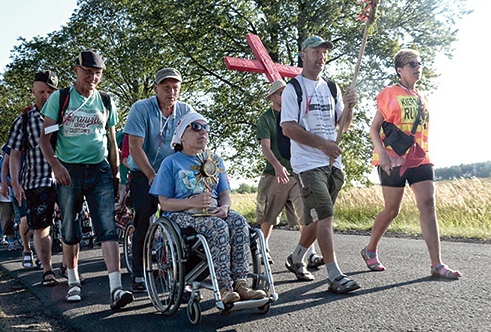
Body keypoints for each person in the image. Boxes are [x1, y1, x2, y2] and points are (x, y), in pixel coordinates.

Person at [39, 50, 133, 310]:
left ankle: (116, 288)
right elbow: (44, 139)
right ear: (76, 70)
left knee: (107, 228)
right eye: (88, 71)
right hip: (69, 171)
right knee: (70, 229)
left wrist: (115, 174)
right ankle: (73, 281)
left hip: (100, 170)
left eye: (98, 73)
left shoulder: (105, 101)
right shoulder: (60, 98)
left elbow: (112, 141)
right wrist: (56, 166)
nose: (93, 77)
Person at [362, 48, 462, 279]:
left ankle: (436, 264)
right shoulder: (389, 93)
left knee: (428, 203)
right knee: (392, 210)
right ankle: (370, 249)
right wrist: (383, 155)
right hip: (393, 158)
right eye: (412, 64)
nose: (417, 67)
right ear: (400, 70)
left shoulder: (422, 97)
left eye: (419, 63)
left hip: (420, 157)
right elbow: (374, 128)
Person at [150, 112, 267, 304]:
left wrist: (225, 208)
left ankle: (241, 284)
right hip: (183, 214)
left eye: (206, 127)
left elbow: (224, 194)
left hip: (213, 210)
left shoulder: (215, 160)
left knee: (238, 222)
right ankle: (223, 287)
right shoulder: (170, 163)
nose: (202, 131)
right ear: (182, 135)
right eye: (195, 127)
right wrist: (191, 203)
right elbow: (164, 203)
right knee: (218, 227)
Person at [280, 35, 360, 293]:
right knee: (325, 214)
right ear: (303, 55)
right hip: (307, 163)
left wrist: (350, 107)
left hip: (333, 164)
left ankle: (296, 257)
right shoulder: (294, 89)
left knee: (316, 219)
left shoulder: (332, 88)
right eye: (316, 51)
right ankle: (334, 275)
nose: (321, 56)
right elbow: (288, 128)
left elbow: (342, 125)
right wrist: (322, 145)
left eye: (324, 52)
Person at [124, 67, 194, 293]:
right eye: (166, 88)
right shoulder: (141, 109)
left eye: (175, 88)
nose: (171, 92)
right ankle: (138, 273)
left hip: (173, 173)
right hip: (144, 172)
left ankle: (177, 271)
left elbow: (192, 144)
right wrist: (152, 176)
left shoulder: (185, 111)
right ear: (155, 89)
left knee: (178, 220)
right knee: (143, 218)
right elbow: (135, 146)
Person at [255, 80, 322, 276]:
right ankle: (263, 249)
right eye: (280, 93)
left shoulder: (296, 116)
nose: (284, 96)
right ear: (272, 97)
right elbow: (265, 147)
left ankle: (310, 254)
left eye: (287, 92)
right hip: (274, 173)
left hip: (298, 173)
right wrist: (277, 166)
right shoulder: (266, 118)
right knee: (269, 216)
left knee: (306, 216)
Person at [8, 70, 60, 286]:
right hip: (37, 180)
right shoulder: (24, 120)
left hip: (65, 178)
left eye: (50, 91)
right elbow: (15, 154)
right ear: (33, 91)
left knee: (70, 226)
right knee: (41, 227)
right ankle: (47, 269)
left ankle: (70, 266)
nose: (45, 96)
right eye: (41, 91)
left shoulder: (64, 115)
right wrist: (15, 183)